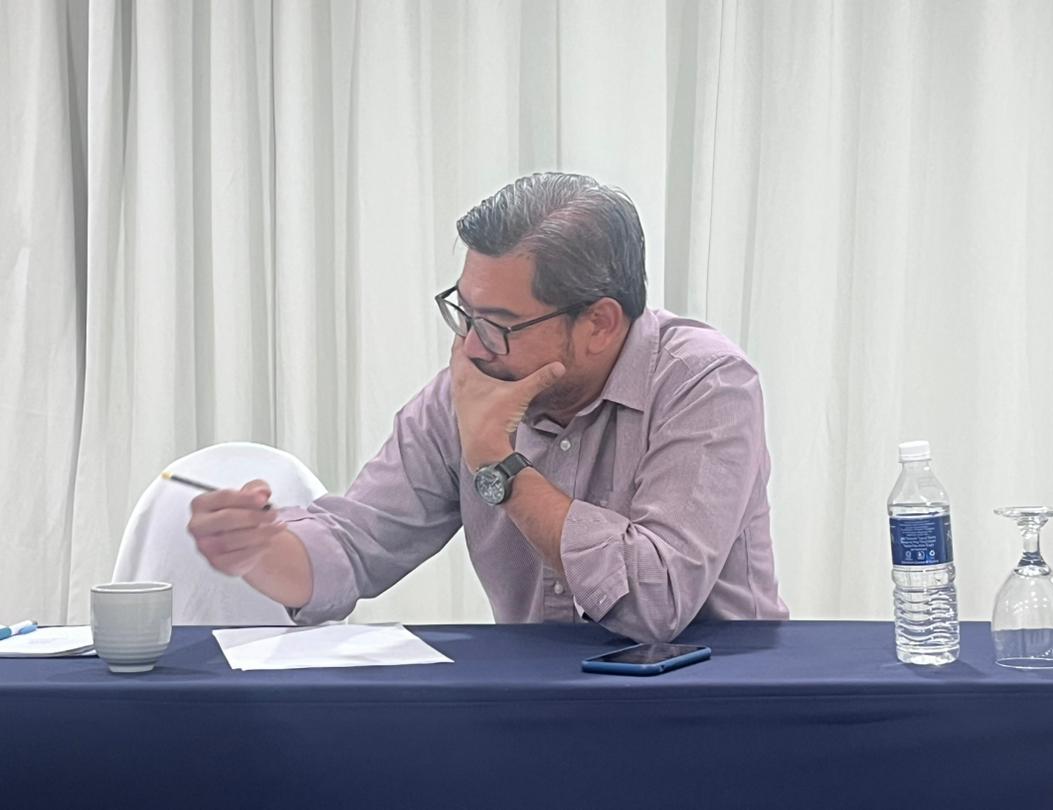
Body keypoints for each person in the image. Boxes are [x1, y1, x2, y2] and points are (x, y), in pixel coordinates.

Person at [187, 172, 788, 642]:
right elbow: (355, 545)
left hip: (710, 706)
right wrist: (260, 550)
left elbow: (656, 603)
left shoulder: (705, 383)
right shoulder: (470, 389)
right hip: (536, 707)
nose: (472, 347)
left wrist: (498, 466)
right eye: (465, 314)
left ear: (599, 323)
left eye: (499, 324)